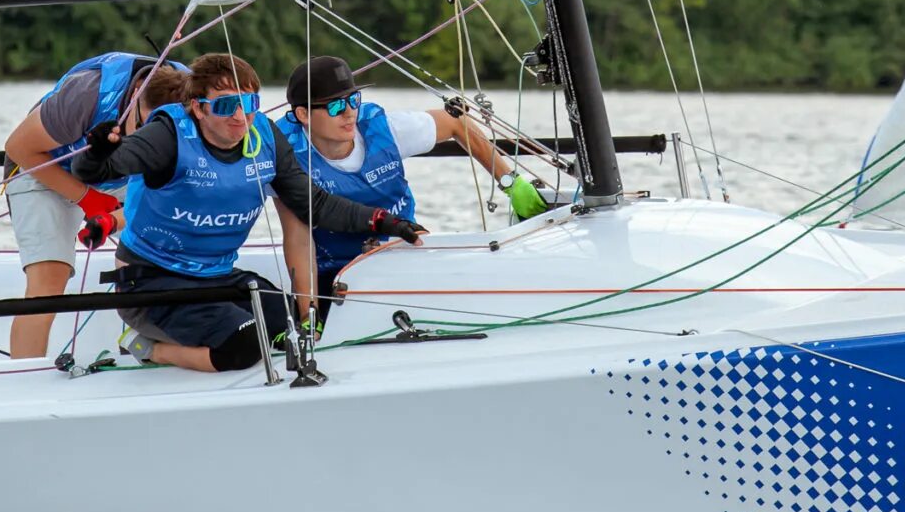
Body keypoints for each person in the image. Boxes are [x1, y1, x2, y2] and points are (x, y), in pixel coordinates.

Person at [71, 52, 424, 373]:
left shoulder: (264, 136)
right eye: (227, 107)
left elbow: (314, 204)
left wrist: (385, 220)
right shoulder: (168, 135)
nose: (242, 118)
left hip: (217, 276)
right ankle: (149, 348)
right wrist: (97, 152)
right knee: (246, 343)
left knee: (289, 329)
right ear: (198, 107)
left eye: (250, 103)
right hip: (152, 282)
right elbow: (96, 171)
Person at [275, 55, 550, 324]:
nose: (349, 113)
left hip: (403, 251)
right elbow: (298, 240)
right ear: (303, 114)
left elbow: (457, 122)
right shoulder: (288, 157)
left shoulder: (386, 130)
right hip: (335, 271)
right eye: (336, 107)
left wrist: (510, 184)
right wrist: (307, 316)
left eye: (353, 100)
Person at [0, 53, 189, 358]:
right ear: (135, 96)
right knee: (48, 280)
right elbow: (18, 147)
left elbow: (167, 200)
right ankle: (23, 381)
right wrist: (87, 199)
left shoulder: (195, 106)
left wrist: (111, 220)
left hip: (117, 173)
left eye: (159, 133)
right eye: (143, 125)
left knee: (169, 254)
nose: (146, 139)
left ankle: (157, 350)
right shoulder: (86, 95)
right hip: (43, 165)